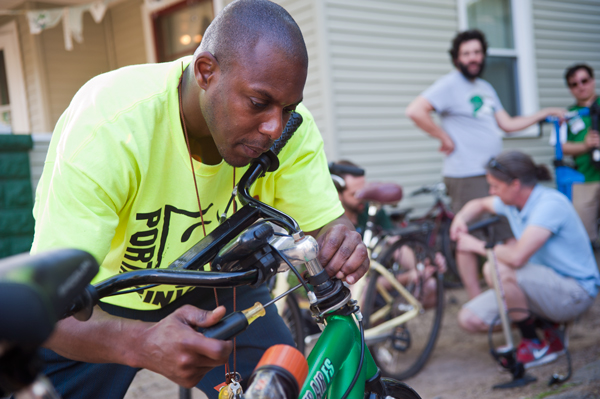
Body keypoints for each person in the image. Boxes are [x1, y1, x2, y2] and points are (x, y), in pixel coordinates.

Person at [30, 1, 369, 398]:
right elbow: (43, 310)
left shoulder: (291, 129)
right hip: (97, 303)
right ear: (206, 71)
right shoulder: (110, 127)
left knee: (282, 390)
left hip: (219, 286)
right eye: (259, 103)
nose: (274, 127)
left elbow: (327, 223)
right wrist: (138, 342)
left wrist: (341, 237)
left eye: (288, 108)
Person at [405, 29, 565, 300]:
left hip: (494, 175)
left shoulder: (485, 88)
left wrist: (544, 113)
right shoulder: (450, 84)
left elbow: (507, 125)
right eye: (467, 53)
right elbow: (415, 110)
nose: (473, 57)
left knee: (506, 231)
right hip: (466, 175)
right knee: (465, 236)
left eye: (477, 52)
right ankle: (477, 299)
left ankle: (511, 292)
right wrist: (443, 136)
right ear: (457, 58)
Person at [450, 150, 600, 368]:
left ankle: (534, 342)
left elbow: (518, 257)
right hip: (540, 284)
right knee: (470, 318)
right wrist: (460, 219)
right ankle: (547, 326)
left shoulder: (549, 205)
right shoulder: (512, 202)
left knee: (498, 268)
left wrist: (476, 246)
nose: (492, 192)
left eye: (495, 187)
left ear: (515, 184)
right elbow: (480, 204)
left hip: (575, 291)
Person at [332, 160, 445, 309]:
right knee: (361, 289)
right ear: (337, 194)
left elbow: (394, 242)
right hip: (352, 285)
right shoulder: (332, 221)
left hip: (375, 282)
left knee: (430, 285)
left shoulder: (369, 210)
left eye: (363, 191)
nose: (361, 198)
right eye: (354, 194)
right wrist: (408, 277)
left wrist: (419, 268)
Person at [562, 64, 600, 247]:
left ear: (592, 81)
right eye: (574, 84)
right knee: (583, 235)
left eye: (584, 81)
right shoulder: (568, 115)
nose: (581, 86)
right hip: (585, 178)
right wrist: (584, 145)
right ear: (570, 89)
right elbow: (561, 147)